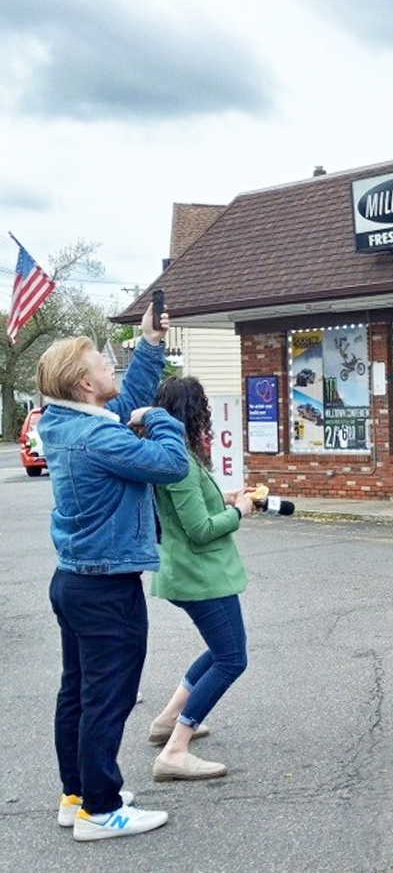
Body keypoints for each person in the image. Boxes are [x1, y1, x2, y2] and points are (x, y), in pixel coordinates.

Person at [37, 305, 189, 841]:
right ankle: (100, 811)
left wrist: (149, 344)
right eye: (104, 364)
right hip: (104, 587)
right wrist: (161, 418)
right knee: (108, 697)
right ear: (84, 384)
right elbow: (171, 464)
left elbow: (121, 404)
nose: (111, 367)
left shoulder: (65, 423)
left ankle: (77, 795)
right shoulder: (97, 439)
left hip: (75, 580)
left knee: (79, 692)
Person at [147, 377, 256, 781]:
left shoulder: (171, 455)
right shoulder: (180, 463)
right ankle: (176, 750)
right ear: (194, 412)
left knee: (221, 649)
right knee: (231, 659)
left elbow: (189, 509)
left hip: (192, 574)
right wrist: (240, 512)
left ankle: (167, 721)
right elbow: (199, 529)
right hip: (200, 575)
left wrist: (225, 498)